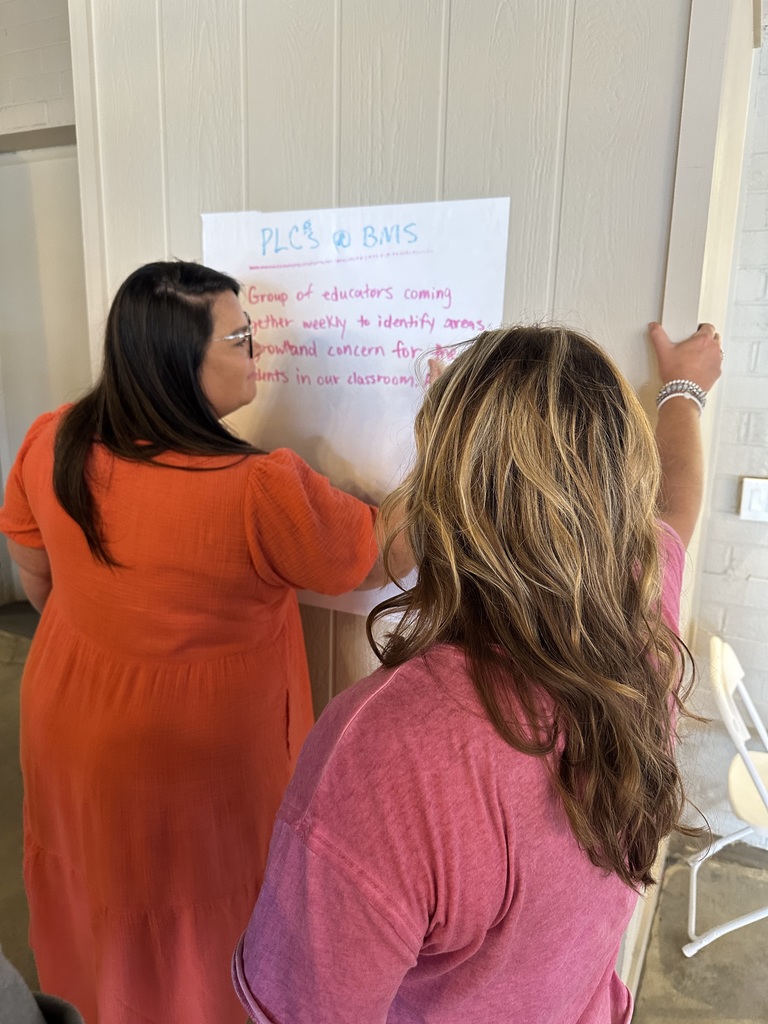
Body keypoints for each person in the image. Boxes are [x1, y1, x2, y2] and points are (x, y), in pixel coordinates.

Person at [232, 321, 723, 1023]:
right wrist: (684, 390)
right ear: (621, 483)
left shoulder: (390, 751)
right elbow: (677, 504)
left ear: (442, 497)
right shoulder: (644, 615)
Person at [0, 260, 406, 1024]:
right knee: (197, 918)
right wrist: (444, 432)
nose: (258, 347)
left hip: (65, 716)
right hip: (195, 761)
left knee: (93, 893)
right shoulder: (258, 488)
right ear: (173, 361)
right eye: (240, 335)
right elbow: (384, 551)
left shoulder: (53, 438)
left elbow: (37, 581)